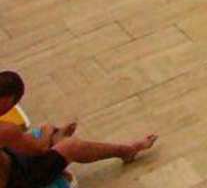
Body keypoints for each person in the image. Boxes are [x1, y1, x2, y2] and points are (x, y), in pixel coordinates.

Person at [0, 70, 156, 188]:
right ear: (8, 101)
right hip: (16, 180)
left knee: (40, 137)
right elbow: (39, 148)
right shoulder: (5, 130)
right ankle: (127, 151)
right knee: (71, 145)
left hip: (11, 160)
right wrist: (47, 129)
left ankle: (57, 143)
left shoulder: (7, 130)